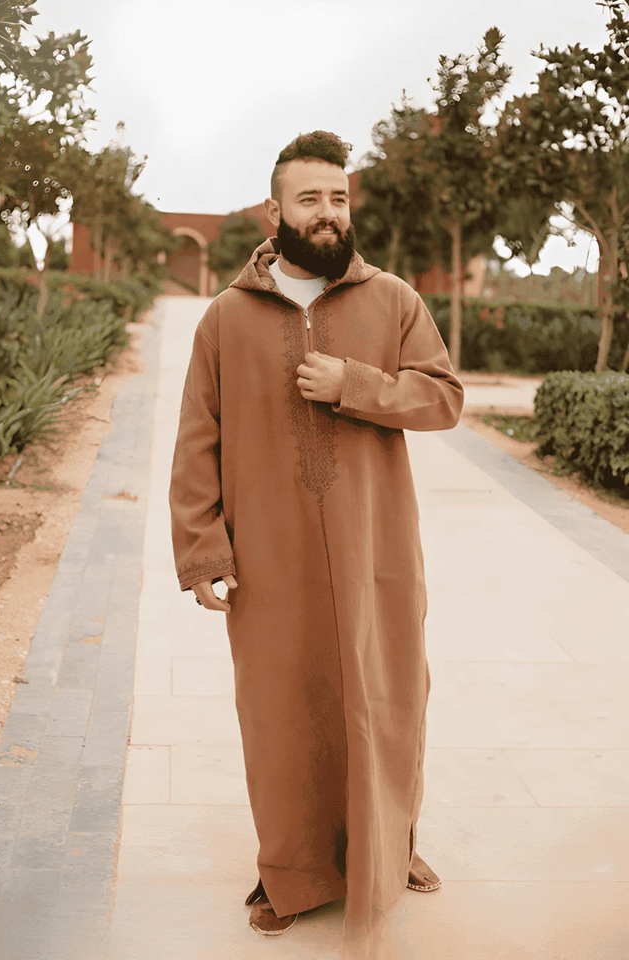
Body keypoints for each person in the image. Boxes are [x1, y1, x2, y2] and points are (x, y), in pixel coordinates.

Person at [168, 130, 464, 957]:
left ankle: (389, 850)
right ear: (275, 212)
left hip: (377, 552)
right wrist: (203, 550)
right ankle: (290, 875)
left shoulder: (393, 300)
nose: (328, 212)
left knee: (390, 702)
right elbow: (196, 440)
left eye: (338, 197)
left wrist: (355, 384)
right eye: (310, 199)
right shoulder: (225, 319)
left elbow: (443, 399)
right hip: (270, 556)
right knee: (281, 715)